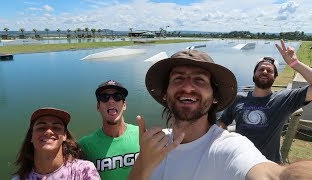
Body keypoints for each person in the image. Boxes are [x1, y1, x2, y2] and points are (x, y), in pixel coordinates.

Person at [128, 47, 312, 180]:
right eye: (178, 79)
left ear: (215, 96)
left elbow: (276, 176)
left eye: (199, 80)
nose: (187, 86)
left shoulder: (229, 148)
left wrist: (294, 63)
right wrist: (143, 163)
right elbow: (223, 122)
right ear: (164, 93)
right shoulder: (152, 146)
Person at [218, 39, 312, 163]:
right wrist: (224, 141)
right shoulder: (238, 98)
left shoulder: (284, 99)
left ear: (275, 77)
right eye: (261, 69)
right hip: (239, 164)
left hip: (270, 166)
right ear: (254, 74)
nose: (265, 72)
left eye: (270, 71)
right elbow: (223, 122)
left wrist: (295, 63)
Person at [12, 107, 100, 180]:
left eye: (56, 127)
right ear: (31, 136)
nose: (49, 131)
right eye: (41, 127)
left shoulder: (83, 170)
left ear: (65, 136)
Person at [78, 80, 140, 180]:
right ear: (98, 106)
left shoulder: (142, 135)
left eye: (117, 97)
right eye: (104, 97)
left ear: (124, 105)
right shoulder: (85, 145)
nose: (111, 101)